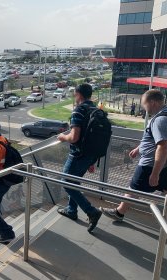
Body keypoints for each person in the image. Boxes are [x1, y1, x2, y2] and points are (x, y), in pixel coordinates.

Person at [101, 89, 167, 239]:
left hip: (152, 165)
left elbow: (163, 146)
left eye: (144, 104)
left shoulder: (161, 120)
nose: (143, 108)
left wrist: (155, 173)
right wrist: (138, 149)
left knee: (134, 188)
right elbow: (154, 140)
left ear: (152, 102)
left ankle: (119, 212)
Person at [56, 83, 103, 233]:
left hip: (78, 155)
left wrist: (63, 137)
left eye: (74, 95)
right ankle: (71, 210)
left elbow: (74, 137)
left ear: (78, 95)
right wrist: (92, 160)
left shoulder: (79, 110)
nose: (74, 97)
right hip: (90, 155)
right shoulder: (96, 109)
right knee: (74, 182)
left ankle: (91, 211)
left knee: (66, 182)